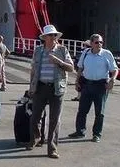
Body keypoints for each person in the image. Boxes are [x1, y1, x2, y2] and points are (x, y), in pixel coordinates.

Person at [27, 25, 74, 159]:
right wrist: (31, 86)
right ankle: (35, 138)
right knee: (35, 116)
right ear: (45, 38)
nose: (53, 38)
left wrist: (59, 62)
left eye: (55, 35)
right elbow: (33, 69)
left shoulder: (62, 50)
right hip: (40, 87)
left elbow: (71, 68)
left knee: (54, 119)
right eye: (51, 35)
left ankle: (52, 148)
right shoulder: (38, 51)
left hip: (56, 88)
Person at [68, 34, 118, 143]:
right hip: (87, 84)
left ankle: (96, 134)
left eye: (101, 42)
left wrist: (112, 80)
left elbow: (114, 70)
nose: (99, 44)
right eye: (96, 42)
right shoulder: (86, 53)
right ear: (91, 44)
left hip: (101, 86)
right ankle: (80, 131)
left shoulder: (106, 54)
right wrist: (76, 81)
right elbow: (80, 68)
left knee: (99, 112)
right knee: (82, 110)